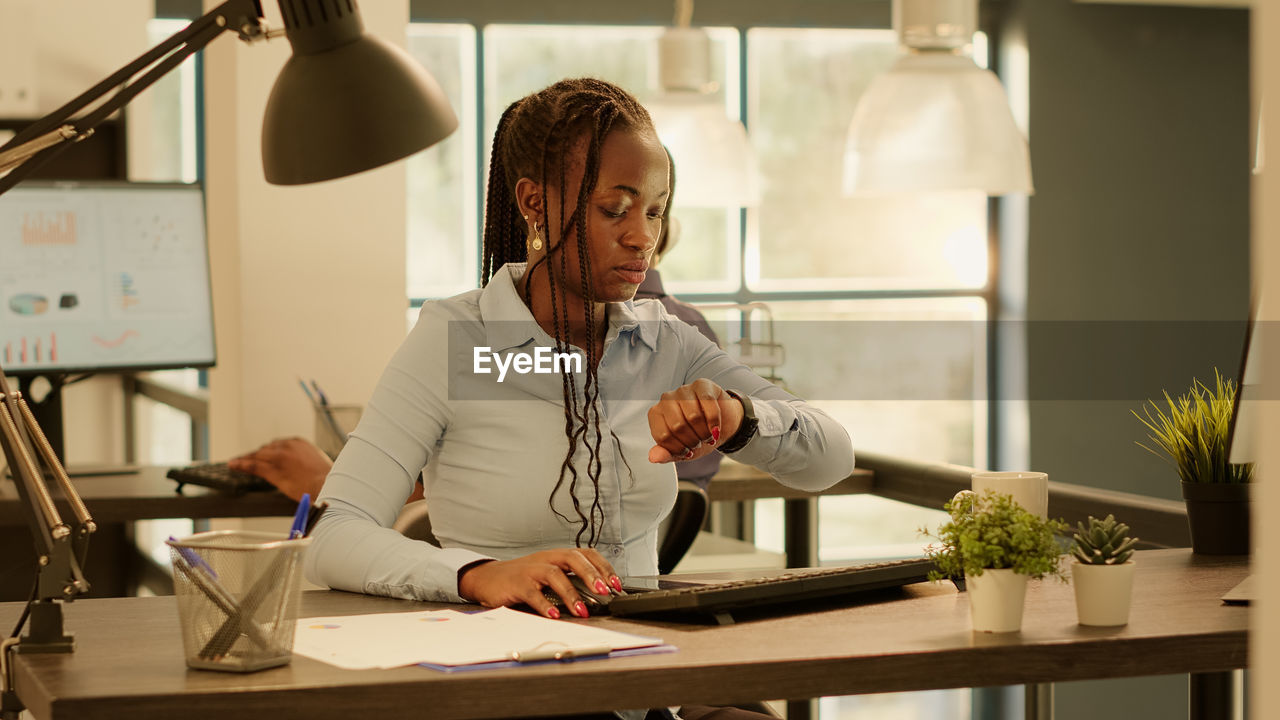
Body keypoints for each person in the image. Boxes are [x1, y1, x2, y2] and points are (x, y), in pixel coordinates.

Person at [305, 78, 851, 719]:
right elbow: (333, 536)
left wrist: (740, 418)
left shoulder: (665, 340)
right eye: (614, 209)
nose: (641, 237)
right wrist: (478, 574)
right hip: (514, 691)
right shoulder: (456, 340)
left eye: (654, 211)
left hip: (648, 684)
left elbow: (831, 456)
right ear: (534, 202)